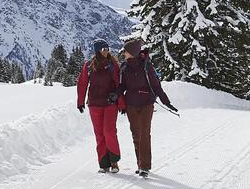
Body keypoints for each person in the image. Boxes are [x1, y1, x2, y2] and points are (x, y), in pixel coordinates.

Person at [116, 39, 177, 178]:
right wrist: (115, 94)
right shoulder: (124, 67)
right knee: (135, 134)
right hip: (131, 104)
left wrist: (166, 102)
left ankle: (145, 166)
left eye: (125, 51)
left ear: (132, 52)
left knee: (144, 133)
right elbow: (122, 86)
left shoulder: (146, 66)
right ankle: (140, 163)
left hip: (146, 104)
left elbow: (156, 86)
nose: (123, 53)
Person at [76, 38, 126, 173]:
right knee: (99, 134)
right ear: (98, 50)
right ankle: (104, 164)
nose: (107, 51)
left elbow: (118, 84)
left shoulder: (113, 65)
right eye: (104, 49)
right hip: (94, 104)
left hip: (110, 103)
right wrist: (80, 101)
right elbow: (82, 83)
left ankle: (114, 161)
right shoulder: (89, 66)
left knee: (109, 131)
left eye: (108, 48)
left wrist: (121, 103)